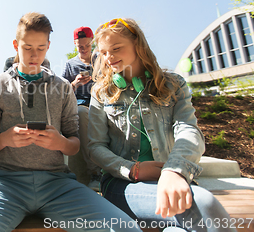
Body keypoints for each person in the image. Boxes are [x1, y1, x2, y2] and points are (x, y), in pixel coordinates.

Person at [0, 12, 141, 232]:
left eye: (40, 48)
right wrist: (6, 138)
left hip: (58, 184)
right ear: (16, 45)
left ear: (48, 46)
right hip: (6, 184)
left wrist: (59, 143)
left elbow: (74, 144)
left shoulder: (64, 87)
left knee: (125, 228)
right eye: (27, 48)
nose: (34, 55)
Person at [87, 18, 235, 232]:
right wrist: (133, 170)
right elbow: (95, 147)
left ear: (138, 44)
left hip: (172, 178)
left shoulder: (173, 85)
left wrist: (174, 171)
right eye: (103, 52)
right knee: (203, 203)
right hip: (123, 185)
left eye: (116, 48)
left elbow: (189, 131)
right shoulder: (101, 93)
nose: (108, 58)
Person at [61, 26, 101, 187]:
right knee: (81, 113)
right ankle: (95, 173)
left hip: (101, 102)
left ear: (92, 43)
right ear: (75, 45)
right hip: (81, 104)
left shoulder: (101, 59)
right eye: (80, 46)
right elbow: (62, 92)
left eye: (87, 46)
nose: (84, 49)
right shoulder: (70, 64)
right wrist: (75, 83)